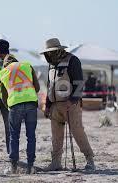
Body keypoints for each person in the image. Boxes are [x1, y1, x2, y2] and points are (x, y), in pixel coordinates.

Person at [41, 38, 95, 171]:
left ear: (58, 50)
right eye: (47, 53)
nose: (49, 55)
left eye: (51, 52)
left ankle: (90, 160)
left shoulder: (72, 60)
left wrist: (72, 101)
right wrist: (47, 106)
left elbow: (79, 83)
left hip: (71, 105)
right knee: (56, 136)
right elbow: (50, 87)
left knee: (78, 133)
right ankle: (56, 163)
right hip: (55, 106)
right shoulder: (51, 65)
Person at [0, 54, 40, 174]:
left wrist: (9, 106)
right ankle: (30, 166)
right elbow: (36, 87)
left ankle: (13, 167)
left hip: (15, 105)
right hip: (31, 104)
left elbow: (3, 95)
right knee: (31, 136)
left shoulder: (3, 72)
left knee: (14, 136)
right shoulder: (27, 66)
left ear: (5, 64)